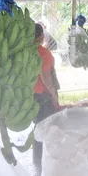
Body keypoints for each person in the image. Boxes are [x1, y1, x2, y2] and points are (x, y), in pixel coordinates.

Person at [33, 23, 61, 168]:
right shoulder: (43, 53)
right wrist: (53, 94)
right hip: (42, 95)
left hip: (30, 95)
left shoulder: (25, 51)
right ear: (41, 36)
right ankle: (41, 160)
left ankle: (37, 158)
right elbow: (45, 76)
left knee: (38, 126)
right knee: (45, 126)